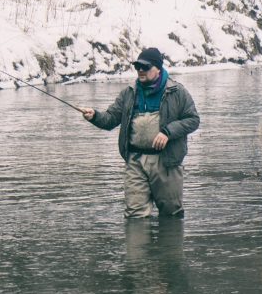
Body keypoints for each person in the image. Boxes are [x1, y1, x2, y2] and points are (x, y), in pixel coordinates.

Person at [81, 47, 200, 218]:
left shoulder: (177, 92)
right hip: (135, 161)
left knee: (171, 214)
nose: (140, 71)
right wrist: (95, 116)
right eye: (138, 67)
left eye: (145, 67)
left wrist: (167, 132)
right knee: (134, 216)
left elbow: (193, 120)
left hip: (166, 161)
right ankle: (137, 245)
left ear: (158, 68)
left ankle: (169, 244)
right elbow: (110, 120)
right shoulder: (129, 93)